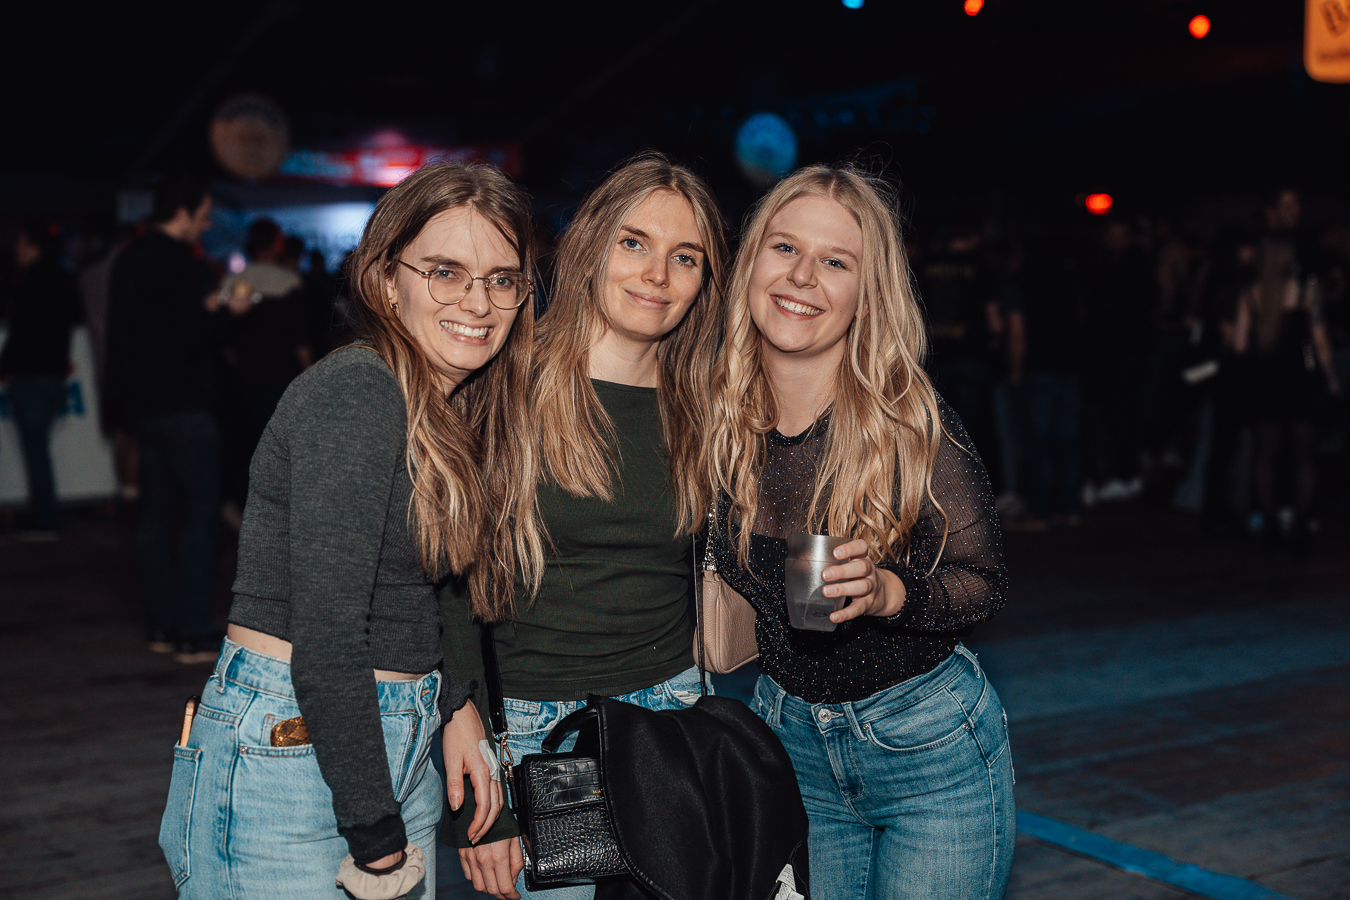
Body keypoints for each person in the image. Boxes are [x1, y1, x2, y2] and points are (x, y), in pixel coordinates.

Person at [158, 163, 535, 900]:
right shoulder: (358, 392)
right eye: (445, 272)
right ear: (387, 279)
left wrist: (454, 704)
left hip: (389, 743)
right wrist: (377, 841)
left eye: (502, 279)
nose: (477, 301)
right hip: (296, 749)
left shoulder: (442, 407)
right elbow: (329, 632)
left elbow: (426, 591)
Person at [707, 164, 1015, 900]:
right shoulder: (715, 417)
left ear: (867, 293)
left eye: (835, 261)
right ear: (751, 263)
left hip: (927, 747)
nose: (802, 276)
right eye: (785, 248)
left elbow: (984, 581)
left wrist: (886, 593)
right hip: (788, 743)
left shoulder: (908, 422)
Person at [440, 152, 728, 900]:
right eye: (634, 242)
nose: (657, 274)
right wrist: (475, 779)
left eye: (685, 256)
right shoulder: (503, 384)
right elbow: (444, 588)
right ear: (590, 245)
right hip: (545, 732)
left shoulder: (707, 403)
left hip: (673, 714)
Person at [107, 176, 249, 661]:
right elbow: (190, 336)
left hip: (144, 405)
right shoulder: (181, 264)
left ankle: (161, 626)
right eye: (204, 215)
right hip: (184, 404)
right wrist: (230, 312)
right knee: (200, 516)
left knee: (155, 515)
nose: (207, 225)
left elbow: (133, 334)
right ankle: (190, 629)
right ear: (183, 213)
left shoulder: (129, 258)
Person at [0, 222, 83, 535]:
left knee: (35, 449)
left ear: (33, 247)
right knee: (38, 448)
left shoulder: (29, 282)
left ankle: (44, 517)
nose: (16, 250)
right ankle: (43, 512)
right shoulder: (62, 277)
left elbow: (21, 331)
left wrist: (5, 366)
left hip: (30, 375)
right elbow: (76, 316)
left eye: (20, 244)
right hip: (53, 374)